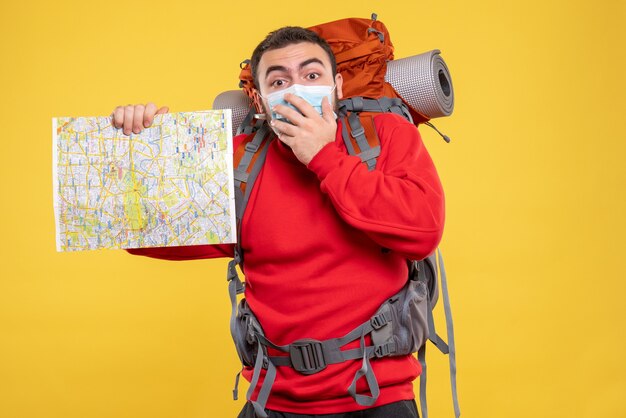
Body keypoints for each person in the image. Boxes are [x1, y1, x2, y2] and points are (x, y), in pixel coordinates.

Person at [110, 26, 444, 418]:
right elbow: (141, 235)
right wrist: (138, 152)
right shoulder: (239, 161)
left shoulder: (385, 135)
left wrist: (322, 155)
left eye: (312, 75)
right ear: (259, 99)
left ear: (337, 85)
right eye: (279, 80)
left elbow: (422, 230)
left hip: (377, 399)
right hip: (272, 402)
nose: (297, 89)